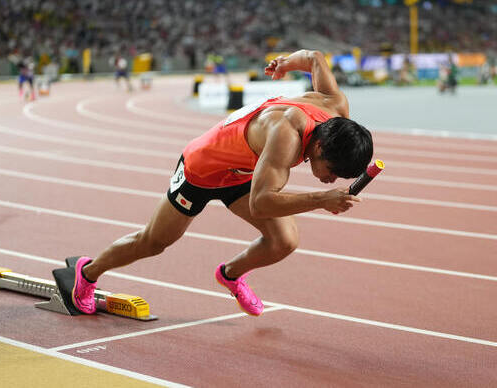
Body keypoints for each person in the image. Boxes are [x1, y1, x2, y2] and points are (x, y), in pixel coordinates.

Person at [71, 49, 373, 316]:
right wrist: (321, 200)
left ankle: (230, 274)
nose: (329, 179)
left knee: (284, 241)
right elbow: (261, 203)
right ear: (319, 147)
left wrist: (284, 64)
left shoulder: (336, 105)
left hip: (243, 171)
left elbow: (315, 58)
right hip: (202, 170)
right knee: (153, 242)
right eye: (331, 172)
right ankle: (88, 272)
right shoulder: (286, 134)